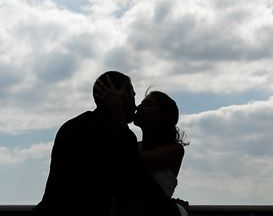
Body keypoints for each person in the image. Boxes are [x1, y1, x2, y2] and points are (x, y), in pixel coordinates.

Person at [33, 71, 179, 216]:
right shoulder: (121, 136)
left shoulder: (70, 126)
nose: (136, 107)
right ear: (124, 93)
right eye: (134, 96)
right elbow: (140, 184)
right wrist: (175, 210)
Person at [133, 90, 189, 216]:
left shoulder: (175, 150)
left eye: (147, 104)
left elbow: (137, 162)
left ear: (164, 116)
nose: (138, 107)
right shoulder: (133, 146)